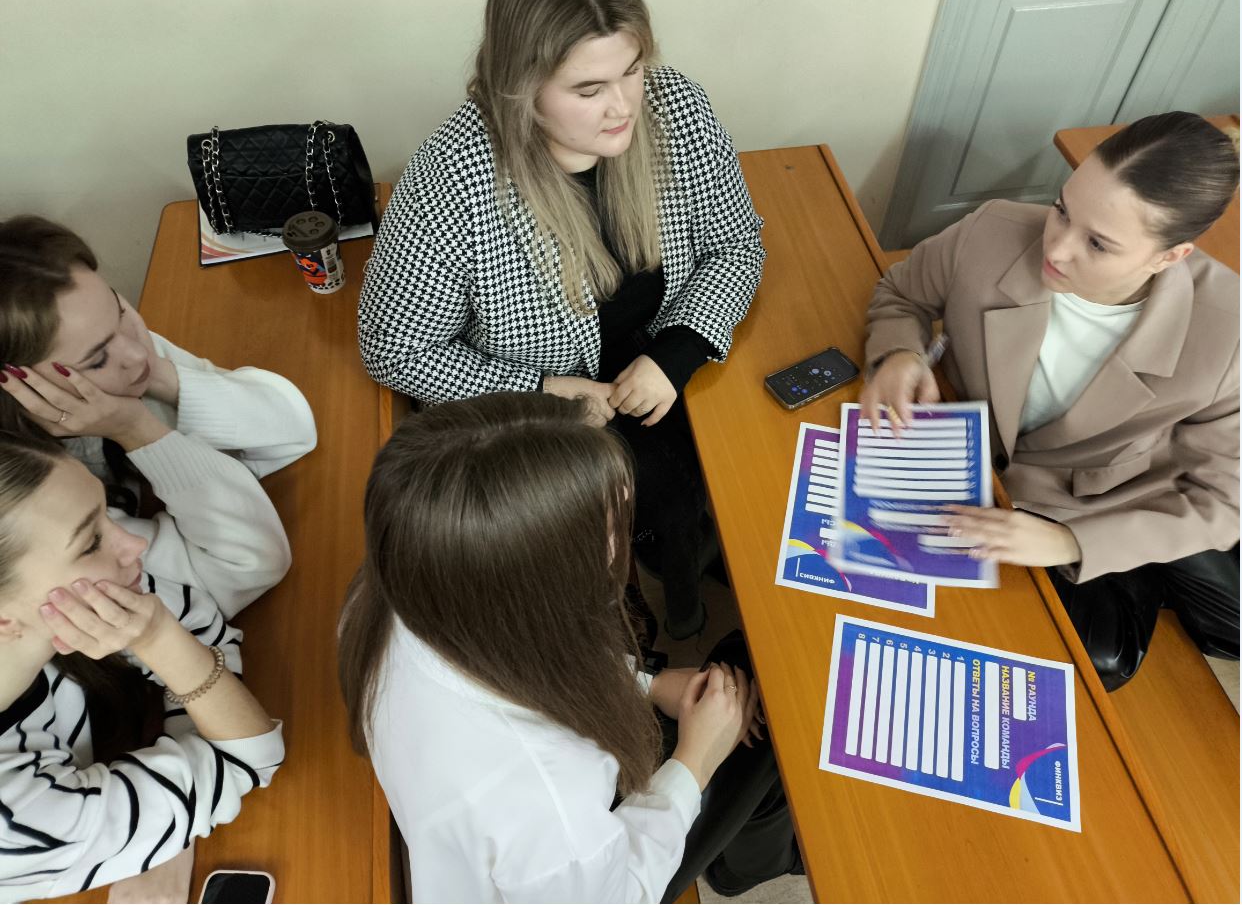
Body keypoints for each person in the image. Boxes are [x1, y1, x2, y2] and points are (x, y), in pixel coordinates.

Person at [357, 0, 765, 639]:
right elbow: (395, 349)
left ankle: (679, 554)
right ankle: (624, 593)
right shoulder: (450, 180)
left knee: (737, 467)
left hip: (662, 363)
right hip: (543, 405)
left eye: (631, 70)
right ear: (521, 87)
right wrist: (544, 390)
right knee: (617, 510)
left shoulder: (677, 108)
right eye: (588, 90)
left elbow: (736, 243)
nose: (623, 106)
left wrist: (680, 350)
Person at [338, 392, 798, 903]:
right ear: (540, 580)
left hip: (508, 832)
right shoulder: (544, 803)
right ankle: (745, 868)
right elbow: (619, 892)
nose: (621, 539)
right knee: (770, 695)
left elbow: (526, 652)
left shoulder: (399, 588)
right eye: (609, 527)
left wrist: (644, 684)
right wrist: (696, 760)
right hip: (595, 875)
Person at [860, 112, 1239, 690]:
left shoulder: (1228, 338)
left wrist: (1070, 541)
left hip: (1097, 501)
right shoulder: (991, 230)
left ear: (1170, 256)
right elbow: (900, 293)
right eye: (1062, 208)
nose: (1055, 247)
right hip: (976, 467)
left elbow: (1221, 502)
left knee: (1103, 657)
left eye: (1098, 243)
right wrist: (899, 355)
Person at [0, 424, 286, 901]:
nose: (136, 545)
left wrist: (168, 788)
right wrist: (163, 649)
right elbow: (248, 755)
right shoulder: (16, 822)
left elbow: (193, 621)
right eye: (91, 542)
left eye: (105, 515)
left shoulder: (67, 605)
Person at [0, 215, 317, 515]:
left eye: (119, 310)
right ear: (19, 383)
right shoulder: (23, 487)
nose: (137, 354)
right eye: (98, 360)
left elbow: (293, 429)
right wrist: (134, 430)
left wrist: (161, 376)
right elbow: (247, 549)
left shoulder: (123, 344)